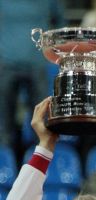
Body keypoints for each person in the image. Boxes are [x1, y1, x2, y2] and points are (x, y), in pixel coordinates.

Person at [0, 0, 65, 159]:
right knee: (3, 127)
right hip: (6, 63)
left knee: (41, 123)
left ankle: (39, 169)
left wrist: (53, 51)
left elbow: (61, 25)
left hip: (38, 63)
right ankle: (6, 171)